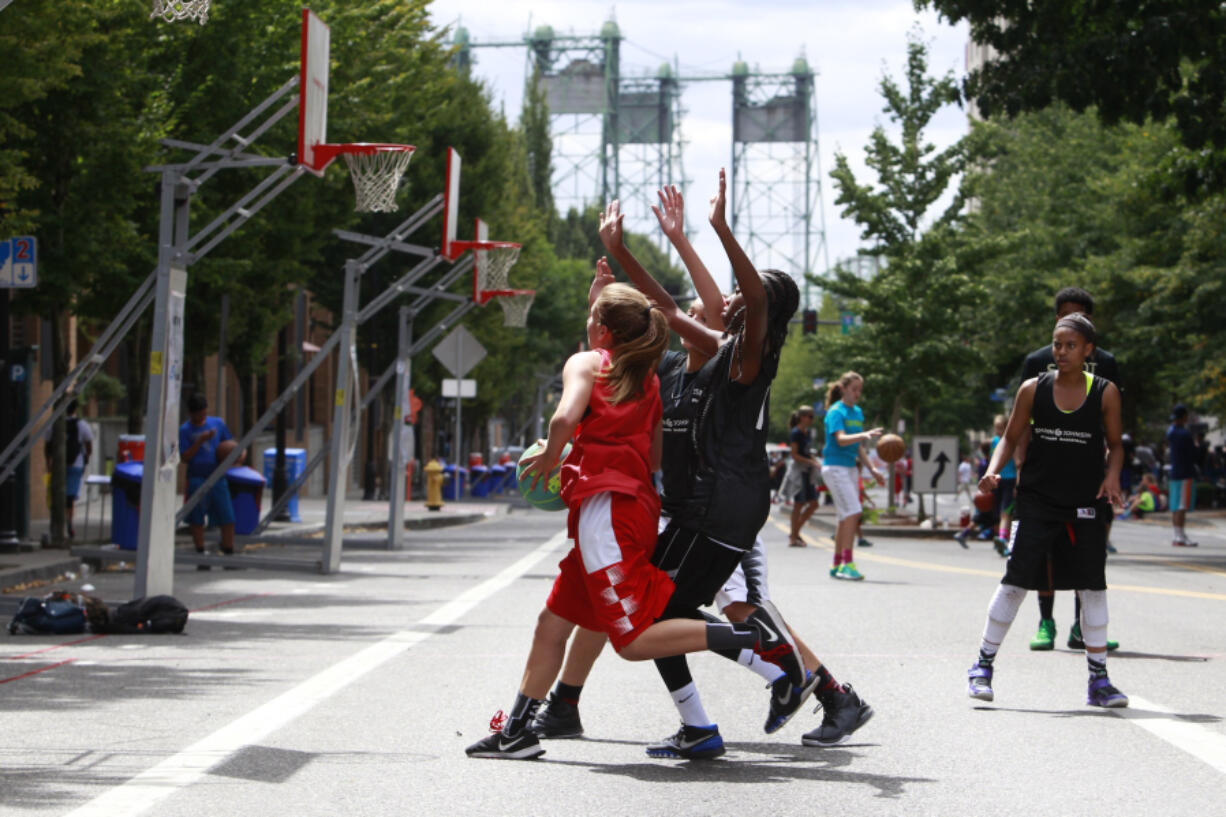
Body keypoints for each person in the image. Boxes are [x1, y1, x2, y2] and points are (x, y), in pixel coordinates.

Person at [528, 182, 870, 757]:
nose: (709, 303)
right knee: (652, 606)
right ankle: (606, 707)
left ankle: (810, 685)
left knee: (693, 611)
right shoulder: (670, 370)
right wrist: (605, 301)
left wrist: (703, 232)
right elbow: (636, 335)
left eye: (733, 295)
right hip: (684, 509)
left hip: (721, 509)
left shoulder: (735, 358)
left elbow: (699, 307)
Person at [465, 273, 804, 761]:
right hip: (629, 508)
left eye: (593, 315)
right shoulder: (644, 379)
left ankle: (754, 637)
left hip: (607, 514)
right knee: (552, 621)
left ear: (602, 328)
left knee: (632, 638)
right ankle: (517, 730)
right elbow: (655, 458)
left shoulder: (587, 363)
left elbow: (564, 417)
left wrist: (552, 457)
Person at [967, 312, 1128, 709]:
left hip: (1085, 502)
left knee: (1092, 586)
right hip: (1037, 500)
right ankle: (982, 667)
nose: (1062, 352)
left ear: (1088, 350)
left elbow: (1117, 444)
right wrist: (992, 471)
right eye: (1057, 344)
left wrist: (1112, 476)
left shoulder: (1105, 392)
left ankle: (1099, 681)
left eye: (1070, 345)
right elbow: (1009, 437)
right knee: (1016, 581)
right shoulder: (1032, 389)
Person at [1018, 287, 1122, 650]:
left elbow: (1114, 430)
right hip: (1044, 474)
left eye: (1078, 315)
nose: (1069, 321)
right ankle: (1046, 621)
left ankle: (1083, 626)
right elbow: (1020, 425)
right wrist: (1018, 465)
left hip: (1087, 476)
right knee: (1043, 554)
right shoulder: (1036, 364)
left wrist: (1112, 473)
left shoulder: (1106, 365)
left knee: (1087, 555)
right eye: (1063, 315)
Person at [821, 372, 884, 581]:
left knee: (844, 516)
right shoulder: (836, 412)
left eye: (860, 390)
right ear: (844, 388)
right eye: (854, 389)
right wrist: (864, 435)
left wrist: (872, 469)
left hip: (849, 468)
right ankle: (848, 564)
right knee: (853, 512)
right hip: (835, 467)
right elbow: (840, 440)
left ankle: (837, 563)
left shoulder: (857, 412)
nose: (858, 393)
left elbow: (858, 448)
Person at [179, 393, 238, 565]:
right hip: (197, 477)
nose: (201, 418)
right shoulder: (185, 431)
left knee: (227, 515)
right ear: (191, 413)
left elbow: (229, 444)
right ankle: (200, 551)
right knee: (197, 517)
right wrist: (200, 441)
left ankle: (228, 549)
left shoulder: (217, 424)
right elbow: (185, 457)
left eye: (203, 414)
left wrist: (238, 455)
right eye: (197, 415)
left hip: (217, 476)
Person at [43, 399, 94, 539]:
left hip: (57, 467)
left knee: (57, 495)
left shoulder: (53, 424)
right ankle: (69, 522)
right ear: (74, 409)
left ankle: (57, 523)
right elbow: (89, 445)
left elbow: (47, 447)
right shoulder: (82, 425)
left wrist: (49, 465)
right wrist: (85, 460)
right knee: (70, 497)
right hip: (75, 465)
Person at [783, 406, 821, 546]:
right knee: (799, 504)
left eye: (812, 417)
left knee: (814, 504)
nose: (812, 420)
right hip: (799, 471)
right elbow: (794, 454)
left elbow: (806, 452)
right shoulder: (796, 433)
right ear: (802, 417)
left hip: (808, 471)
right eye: (810, 416)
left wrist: (814, 460)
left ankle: (795, 532)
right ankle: (794, 536)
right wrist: (810, 461)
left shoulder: (807, 433)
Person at [1167, 404, 1199, 547]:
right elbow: (1193, 454)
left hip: (1174, 472)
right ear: (1184, 417)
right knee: (1182, 505)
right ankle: (1180, 536)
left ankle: (1177, 534)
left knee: (1175, 505)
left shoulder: (1171, 431)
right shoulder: (1184, 434)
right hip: (1185, 472)